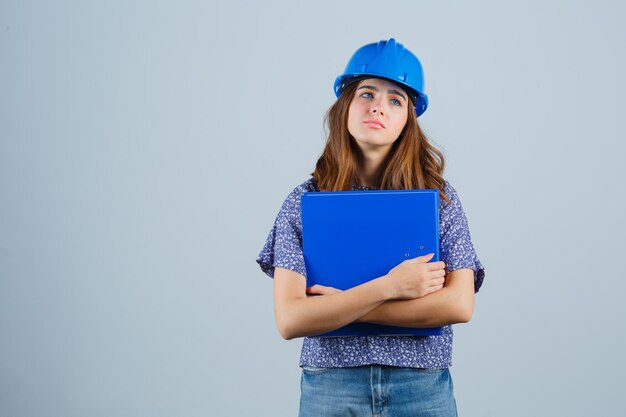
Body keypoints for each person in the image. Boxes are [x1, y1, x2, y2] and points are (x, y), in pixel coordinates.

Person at [256, 38, 485, 417]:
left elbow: (458, 304)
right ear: (345, 104)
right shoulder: (303, 202)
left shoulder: (439, 200)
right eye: (367, 93)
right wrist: (390, 287)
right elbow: (291, 319)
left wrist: (341, 307)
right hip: (331, 385)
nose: (379, 105)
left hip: (421, 385)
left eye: (396, 99)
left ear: (408, 119)